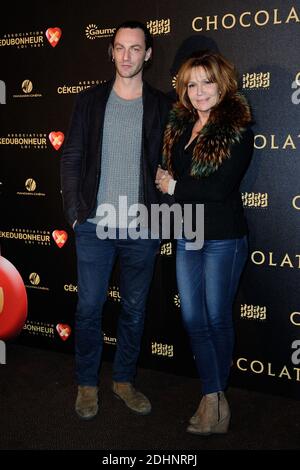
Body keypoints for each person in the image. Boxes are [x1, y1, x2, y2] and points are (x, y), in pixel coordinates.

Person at [60, 20, 171, 420]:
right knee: (88, 308)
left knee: (135, 309)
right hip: (93, 226)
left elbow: (174, 162)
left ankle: (124, 380)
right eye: (120, 48)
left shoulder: (164, 105)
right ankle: (86, 384)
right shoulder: (89, 101)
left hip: (142, 227)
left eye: (135, 48)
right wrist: (75, 214)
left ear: (148, 54)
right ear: (111, 51)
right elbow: (71, 157)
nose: (126, 56)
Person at [156, 50, 254, 435]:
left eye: (206, 82)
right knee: (193, 317)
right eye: (191, 84)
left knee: (216, 316)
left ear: (221, 83)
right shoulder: (178, 127)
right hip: (187, 232)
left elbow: (217, 189)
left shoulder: (238, 129)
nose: (199, 91)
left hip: (223, 237)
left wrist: (173, 185)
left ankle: (214, 399)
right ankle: (214, 394)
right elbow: (169, 176)